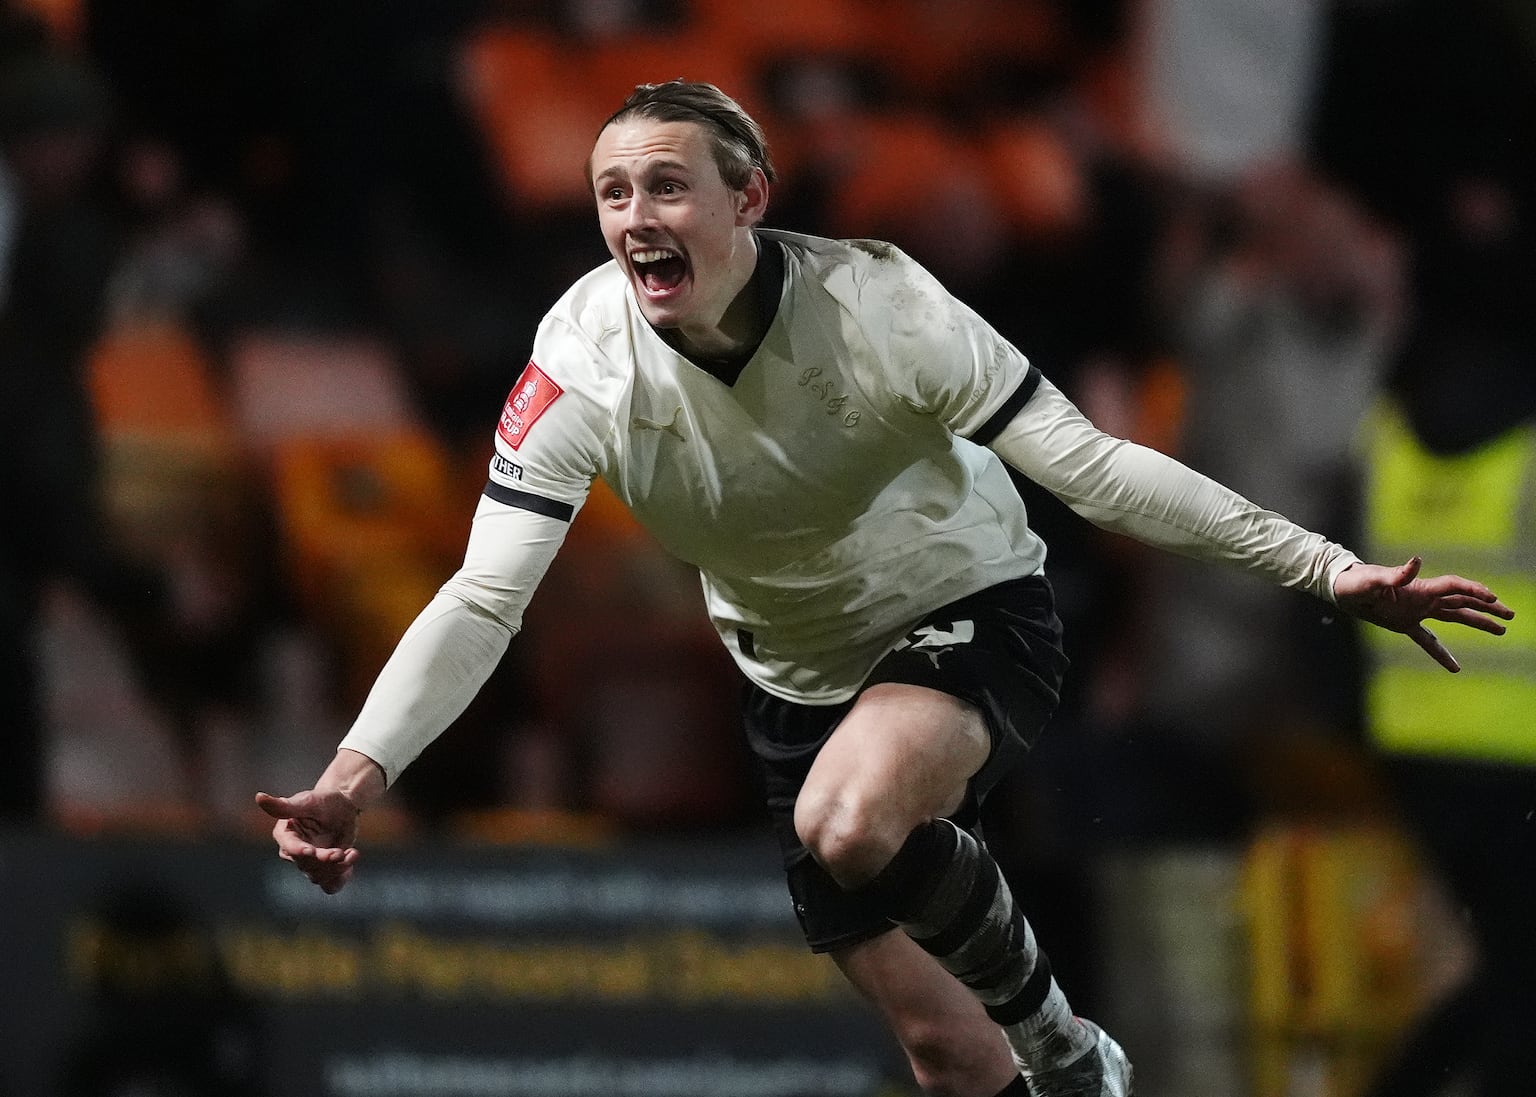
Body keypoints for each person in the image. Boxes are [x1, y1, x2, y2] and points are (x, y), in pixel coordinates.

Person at [256, 82, 1514, 1097]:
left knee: (851, 822)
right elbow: (485, 596)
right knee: (947, 1054)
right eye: (613, 191)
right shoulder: (580, 359)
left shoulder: (882, 307)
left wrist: (1325, 567)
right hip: (792, 683)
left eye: (668, 184)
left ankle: (1068, 1050)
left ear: (749, 196)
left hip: (968, 609)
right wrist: (355, 777)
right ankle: (1036, 1055)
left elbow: (1093, 469)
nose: (636, 215)